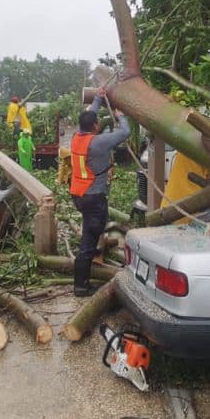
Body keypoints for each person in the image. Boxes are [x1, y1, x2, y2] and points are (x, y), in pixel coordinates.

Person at [69, 87, 130, 296]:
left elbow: (89, 112)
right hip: (93, 197)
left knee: (93, 227)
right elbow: (125, 132)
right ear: (95, 126)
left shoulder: (77, 137)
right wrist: (120, 116)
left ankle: (94, 249)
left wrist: (98, 97)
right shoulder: (99, 142)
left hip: (78, 195)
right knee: (88, 239)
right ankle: (80, 286)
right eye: (96, 121)